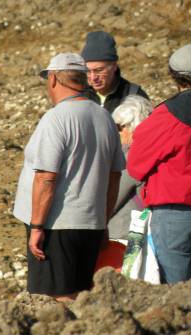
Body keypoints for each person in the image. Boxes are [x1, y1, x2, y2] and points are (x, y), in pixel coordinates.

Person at [13, 53, 125, 301]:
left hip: (57, 224)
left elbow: (46, 178)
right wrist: (103, 221)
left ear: (53, 79)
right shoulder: (103, 116)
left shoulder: (56, 118)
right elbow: (114, 176)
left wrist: (37, 226)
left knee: (54, 296)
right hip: (91, 222)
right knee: (80, 292)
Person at [127, 43, 191, 283]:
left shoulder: (166, 117)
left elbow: (136, 167)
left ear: (175, 77)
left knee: (176, 294)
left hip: (175, 214)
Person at [107, 95, 152, 239]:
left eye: (118, 127)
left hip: (124, 235)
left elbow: (111, 198)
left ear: (132, 127)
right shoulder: (151, 152)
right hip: (142, 231)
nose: (114, 133)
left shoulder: (130, 158)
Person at [81, 30, 149, 113]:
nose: (93, 77)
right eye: (88, 71)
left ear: (114, 66)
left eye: (99, 70)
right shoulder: (78, 94)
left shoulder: (134, 95)